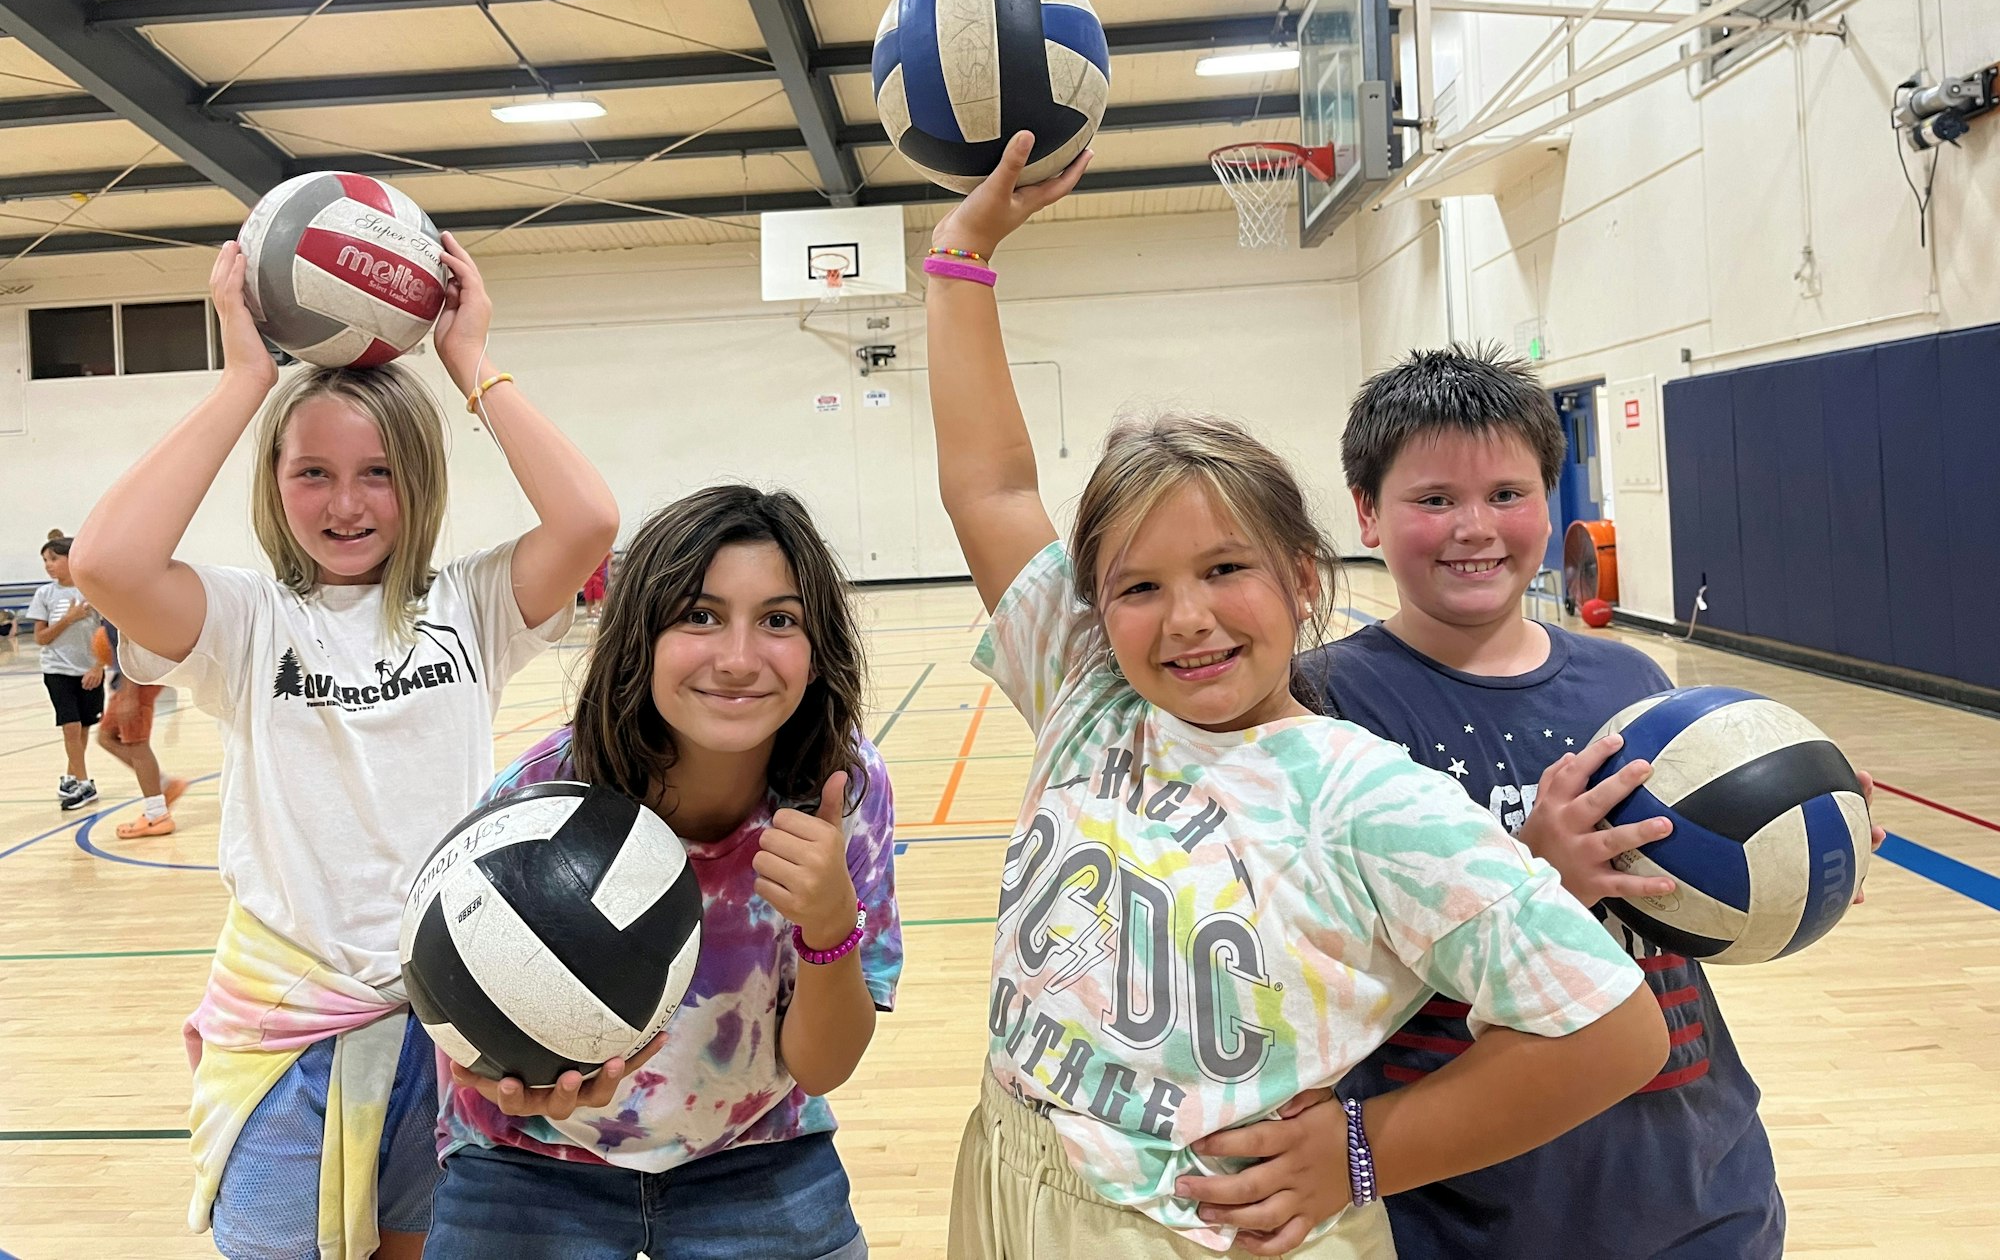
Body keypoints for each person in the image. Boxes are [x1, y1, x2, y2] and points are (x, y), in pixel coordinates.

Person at [927, 133, 1670, 1259]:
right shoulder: (1084, 694)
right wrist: (959, 251)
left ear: (1302, 579)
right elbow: (989, 482)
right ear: (1092, 608)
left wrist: (1366, 1153)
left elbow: (1615, 1035)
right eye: (1138, 586)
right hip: (1009, 1169)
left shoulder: (1367, 795)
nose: (1186, 617)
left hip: (1200, 1229)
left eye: (1225, 571)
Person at [71, 234, 618, 1260]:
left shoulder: (469, 607)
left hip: (447, 1015)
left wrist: (470, 359)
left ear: (418, 483)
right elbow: (107, 559)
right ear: (272, 481)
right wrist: (246, 381)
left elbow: (587, 517)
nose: (346, 503)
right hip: (286, 1027)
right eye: (311, 471)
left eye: (377, 473)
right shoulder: (246, 621)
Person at [1278, 343, 1885, 1260]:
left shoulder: (1630, 682)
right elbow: (1319, 964)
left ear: (1551, 501)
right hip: (1463, 1201)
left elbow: (1692, 905)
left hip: (1692, 1175)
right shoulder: (1322, 706)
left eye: (1508, 495)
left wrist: (1799, 846)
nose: (1474, 526)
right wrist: (1535, 880)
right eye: (1434, 499)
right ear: (1366, 511)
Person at [427, 485, 901, 1260]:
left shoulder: (839, 792)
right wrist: (515, 1074)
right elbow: (457, 1014)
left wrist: (829, 925)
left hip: (756, 1153)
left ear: (817, 655)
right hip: (529, 1165)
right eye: (700, 615)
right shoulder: (545, 797)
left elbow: (823, 1065)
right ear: (640, 636)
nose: (739, 659)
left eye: (778, 620)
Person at [91, 619, 189, 840]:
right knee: (106, 737)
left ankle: (158, 814)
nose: (54, 580)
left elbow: (132, 643)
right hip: (130, 678)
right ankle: (164, 785)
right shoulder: (103, 597)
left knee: (135, 742)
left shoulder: (113, 596)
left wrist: (130, 693)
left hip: (137, 679)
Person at [29, 535, 104, 809]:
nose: (48, 565)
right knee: (70, 727)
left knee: (83, 727)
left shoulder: (93, 592)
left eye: (54, 559)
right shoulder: (44, 595)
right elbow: (41, 638)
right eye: (45, 561)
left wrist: (98, 667)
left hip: (90, 672)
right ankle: (84, 784)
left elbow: (108, 633)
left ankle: (71, 776)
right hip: (57, 669)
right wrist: (67, 620)